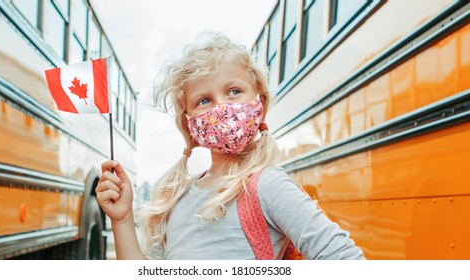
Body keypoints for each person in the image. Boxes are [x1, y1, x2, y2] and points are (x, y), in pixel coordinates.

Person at [95, 32, 365, 260]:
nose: (222, 108)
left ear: (260, 104)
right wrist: (121, 220)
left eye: (234, 92)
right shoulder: (176, 197)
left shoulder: (266, 185)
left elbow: (342, 257)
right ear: (190, 124)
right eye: (204, 101)